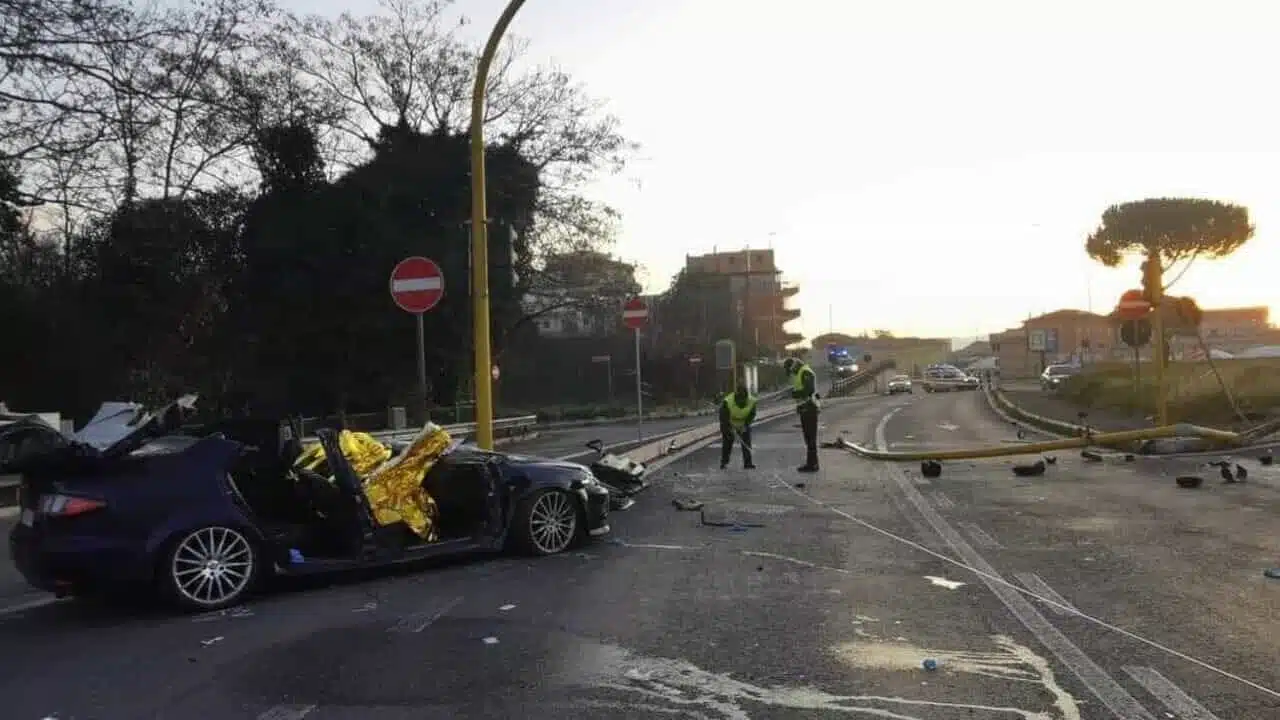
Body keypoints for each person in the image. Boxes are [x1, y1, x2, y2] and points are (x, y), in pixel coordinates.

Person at [783, 357, 820, 472]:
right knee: (808, 438)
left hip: (810, 408)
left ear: (793, 366)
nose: (791, 373)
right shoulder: (801, 372)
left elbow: (808, 390)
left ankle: (813, 464)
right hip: (805, 409)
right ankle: (811, 463)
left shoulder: (805, 372)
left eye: (791, 370)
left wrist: (794, 394)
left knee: (811, 438)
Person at [719, 385, 758, 470]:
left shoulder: (751, 401)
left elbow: (752, 414)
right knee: (727, 443)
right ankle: (724, 462)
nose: (741, 402)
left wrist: (746, 425)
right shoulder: (728, 402)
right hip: (729, 424)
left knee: (746, 442)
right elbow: (723, 417)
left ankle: (748, 463)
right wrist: (729, 428)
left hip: (743, 425)